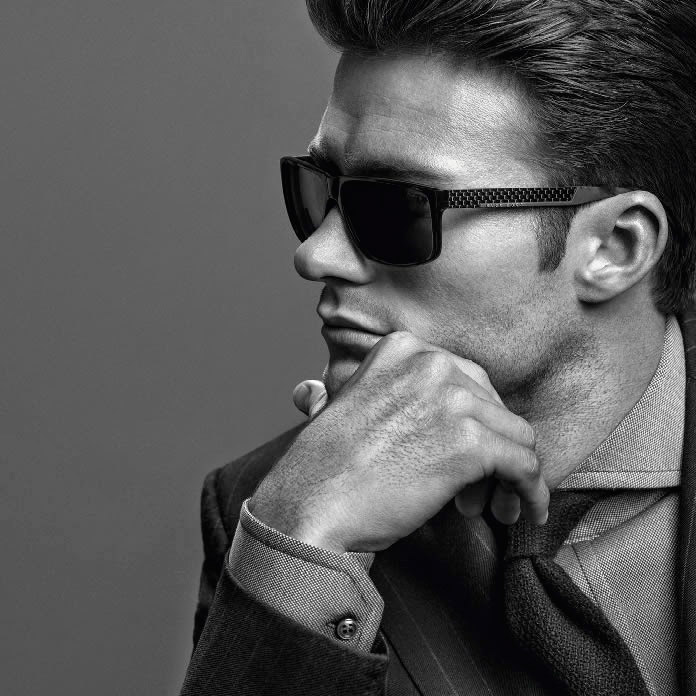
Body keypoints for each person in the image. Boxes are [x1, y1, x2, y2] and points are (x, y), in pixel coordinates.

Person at [180, 1, 696, 694]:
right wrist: (299, 554)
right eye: (317, 191)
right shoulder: (268, 511)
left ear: (614, 247)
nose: (316, 254)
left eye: (397, 207)